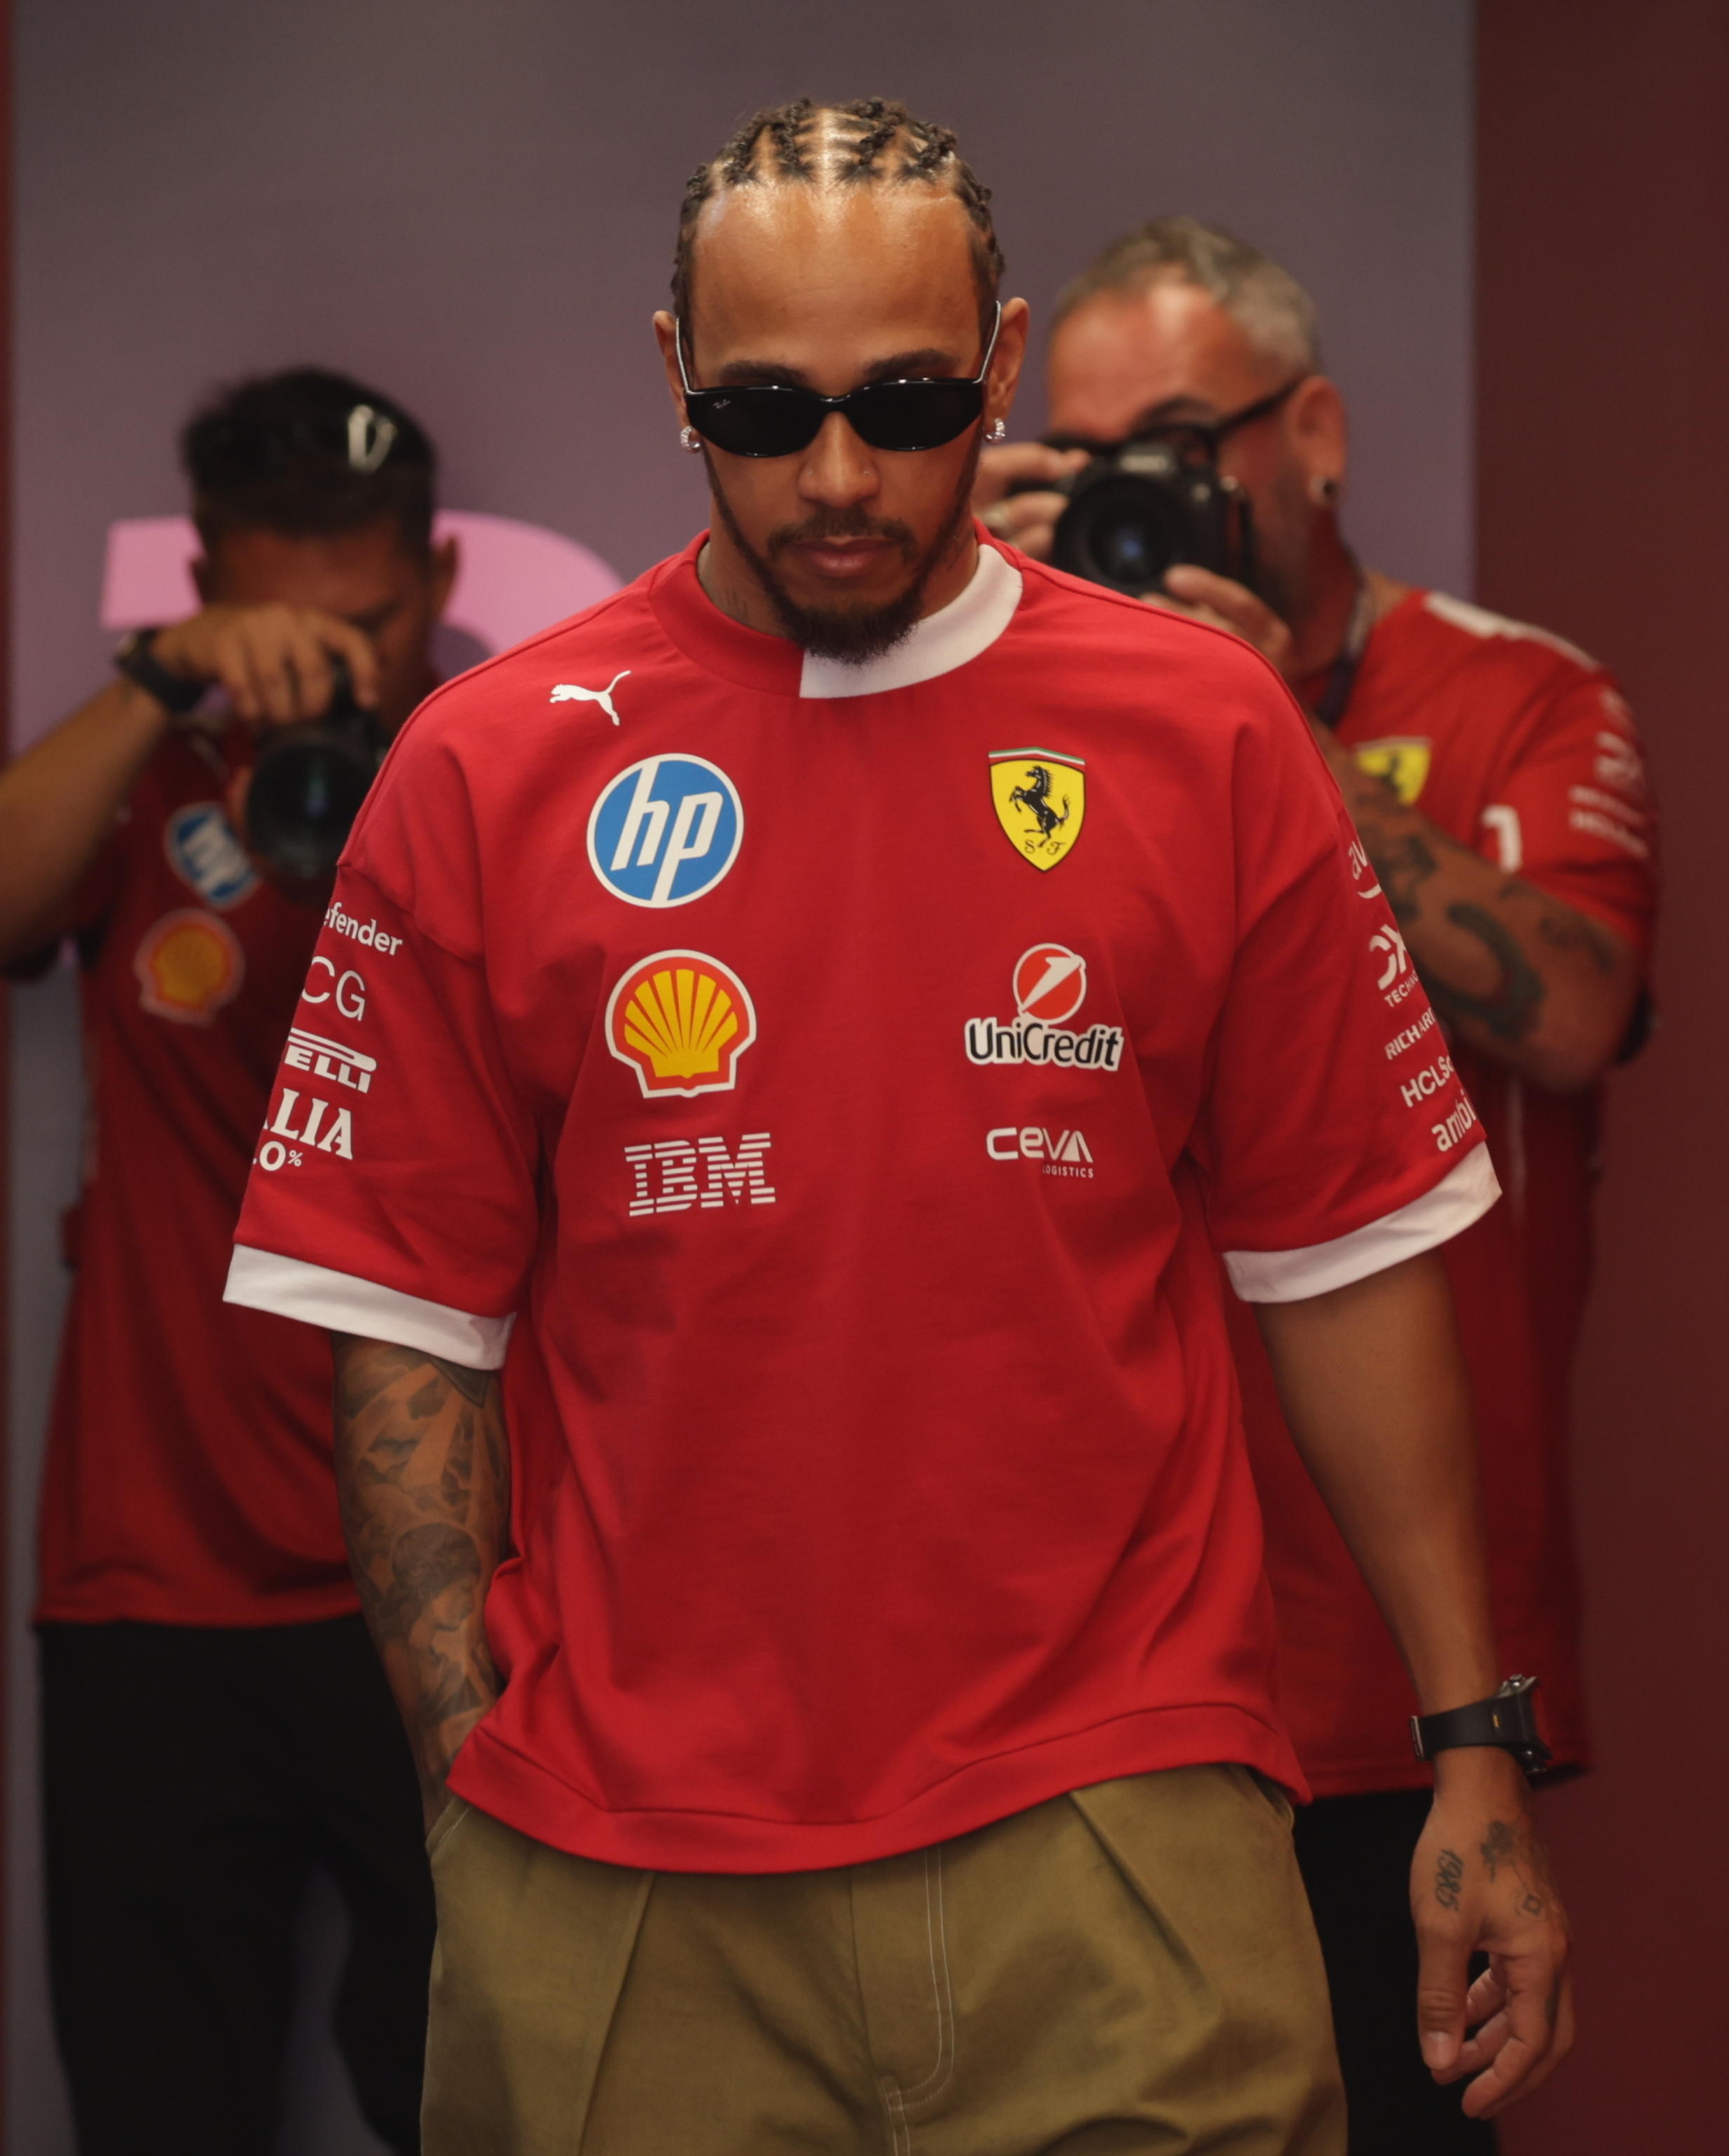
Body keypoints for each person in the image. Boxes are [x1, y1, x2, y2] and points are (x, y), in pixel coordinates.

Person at [224, 103, 1570, 2155]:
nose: (841, 476)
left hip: (1119, 1826)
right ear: (674, 372)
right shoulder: (484, 766)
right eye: (767, 411)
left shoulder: (1209, 732)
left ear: (1001, 366)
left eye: (910, 403)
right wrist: (466, 1778)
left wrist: (1473, 1745)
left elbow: (1348, 1254)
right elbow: (407, 1314)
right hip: (622, 1857)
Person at [977, 218, 1656, 2153]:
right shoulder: (1015, 714)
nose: (1133, 491)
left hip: (1390, 1652)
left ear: (1318, 434)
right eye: (1085, 456)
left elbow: (1575, 1011)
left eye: (1179, 442)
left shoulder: (1516, 694)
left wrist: (1273, 742)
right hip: (1084, 1646)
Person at [0, 366, 458, 2155]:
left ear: (434, 584)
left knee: (483, 2096)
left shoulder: (501, 776)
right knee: (159, 2114)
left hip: (438, 1578)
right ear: (203, 586)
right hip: (154, 1583)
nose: (332, 668)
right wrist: (160, 685)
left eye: (368, 625)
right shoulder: (154, 775)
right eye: (283, 624)